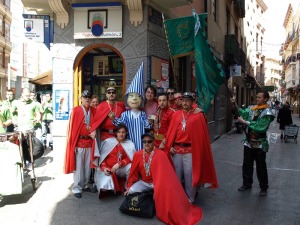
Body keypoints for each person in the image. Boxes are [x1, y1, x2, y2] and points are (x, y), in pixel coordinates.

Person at [125, 133, 202, 225]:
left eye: (149, 141)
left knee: (161, 197)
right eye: (144, 142)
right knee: (132, 191)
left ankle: (154, 196)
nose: (147, 144)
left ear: (154, 142)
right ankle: (150, 195)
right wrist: (129, 186)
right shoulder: (138, 154)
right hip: (144, 182)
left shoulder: (160, 154)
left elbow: (166, 175)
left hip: (157, 183)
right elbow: (133, 173)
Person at [164, 92, 218, 203]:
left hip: (190, 151)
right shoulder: (176, 114)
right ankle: (177, 198)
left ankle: (190, 199)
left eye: (187, 101)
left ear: (192, 102)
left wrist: (201, 111)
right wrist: (169, 146)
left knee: (190, 176)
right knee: (176, 176)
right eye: (183, 100)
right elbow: (170, 133)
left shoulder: (197, 115)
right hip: (177, 150)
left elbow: (203, 130)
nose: (185, 103)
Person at [236, 90, 275, 196]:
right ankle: (247, 183)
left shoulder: (268, 112)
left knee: (261, 166)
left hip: (260, 143)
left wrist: (245, 122)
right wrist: (234, 104)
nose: (257, 99)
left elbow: (260, 127)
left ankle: (263, 187)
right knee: (247, 164)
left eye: (259, 97)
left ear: (265, 99)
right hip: (249, 142)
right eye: (256, 97)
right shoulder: (252, 109)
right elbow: (243, 114)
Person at [64, 90, 96, 198]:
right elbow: (72, 129)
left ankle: (86, 184)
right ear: (80, 99)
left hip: (90, 142)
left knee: (88, 166)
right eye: (85, 97)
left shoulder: (94, 110)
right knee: (78, 167)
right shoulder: (76, 110)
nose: (87, 99)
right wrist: (72, 145)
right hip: (79, 143)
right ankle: (76, 187)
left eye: (89, 97)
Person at [94, 123, 135, 198]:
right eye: (119, 132)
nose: (121, 134)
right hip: (109, 169)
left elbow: (130, 158)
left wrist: (119, 164)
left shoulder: (129, 144)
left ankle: (128, 188)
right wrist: (104, 168)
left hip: (120, 169)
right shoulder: (108, 142)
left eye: (123, 132)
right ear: (116, 133)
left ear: (126, 133)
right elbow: (102, 158)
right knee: (104, 186)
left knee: (131, 166)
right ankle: (110, 188)